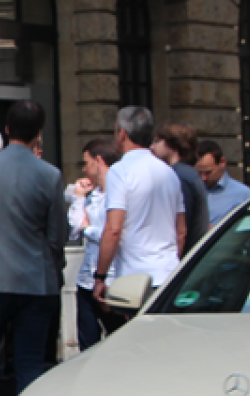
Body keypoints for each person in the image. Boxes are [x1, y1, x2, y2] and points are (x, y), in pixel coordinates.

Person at [0, 101, 68, 396]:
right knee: (30, 363)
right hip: (36, 280)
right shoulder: (49, 175)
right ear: (38, 133)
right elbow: (56, 236)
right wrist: (55, 271)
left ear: (7, 129)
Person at [91, 106, 184, 320]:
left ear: (122, 133)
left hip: (135, 279)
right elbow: (181, 231)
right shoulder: (169, 173)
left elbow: (113, 229)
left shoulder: (120, 171)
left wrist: (101, 276)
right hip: (169, 273)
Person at [69, 138, 118, 353]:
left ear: (99, 162)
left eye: (87, 163)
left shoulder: (118, 194)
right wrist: (79, 198)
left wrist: (88, 229)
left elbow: (113, 232)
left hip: (112, 277)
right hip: (87, 278)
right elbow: (74, 229)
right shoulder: (94, 195)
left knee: (116, 339)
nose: (84, 169)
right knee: (87, 343)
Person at [151, 123, 210, 247]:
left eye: (157, 141)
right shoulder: (186, 173)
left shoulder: (179, 175)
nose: (152, 147)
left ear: (172, 145)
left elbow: (181, 227)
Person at [194, 140, 250, 221]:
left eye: (208, 172)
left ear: (222, 162)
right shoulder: (193, 190)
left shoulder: (243, 193)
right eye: (199, 173)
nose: (203, 178)